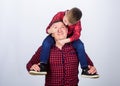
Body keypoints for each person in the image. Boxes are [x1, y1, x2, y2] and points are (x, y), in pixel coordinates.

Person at [26, 21, 99, 86]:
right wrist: (33, 67)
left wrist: (92, 69)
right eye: (55, 27)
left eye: (62, 27)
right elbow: (29, 64)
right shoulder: (44, 49)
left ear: (68, 31)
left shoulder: (77, 48)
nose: (59, 30)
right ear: (52, 34)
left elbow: (90, 65)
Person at [36, 7, 97, 78]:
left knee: (80, 45)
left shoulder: (77, 23)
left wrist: (91, 68)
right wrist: (51, 30)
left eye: (68, 24)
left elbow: (77, 35)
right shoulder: (59, 15)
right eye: (65, 21)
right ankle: (43, 65)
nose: (66, 24)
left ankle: (84, 68)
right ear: (66, 13)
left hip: (70, 38)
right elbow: (48, 29)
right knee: (46, 43)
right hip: (54, 36)